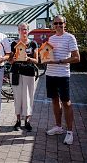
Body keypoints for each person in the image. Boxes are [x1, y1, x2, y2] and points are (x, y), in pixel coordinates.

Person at [45, 15, 80, 145]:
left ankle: (70, 132)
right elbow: (47, 54)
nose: (58, 25)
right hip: (50, 74)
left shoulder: (70, 37)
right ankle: (59, 127)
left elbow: (77, 58)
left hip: (63, 75)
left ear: (65, 24)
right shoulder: (51, 38)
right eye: (56, 23)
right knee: (54, 100)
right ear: (53, 25)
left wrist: (60, 61)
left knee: (66, 102)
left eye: (61, 23)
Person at [9, 22, 38, 132]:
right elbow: (10, 61)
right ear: (18, 31)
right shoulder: (13, 44)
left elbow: (37, 60)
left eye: (25, 29)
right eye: (21, 29)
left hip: (29, 73)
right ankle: (17, 121)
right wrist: (14, 59)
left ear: (28, 30)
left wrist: (28, 59)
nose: (23, 31)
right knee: (18, 97)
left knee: (28, 97)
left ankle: (27, 121)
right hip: (16, 73)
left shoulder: (33, 44)